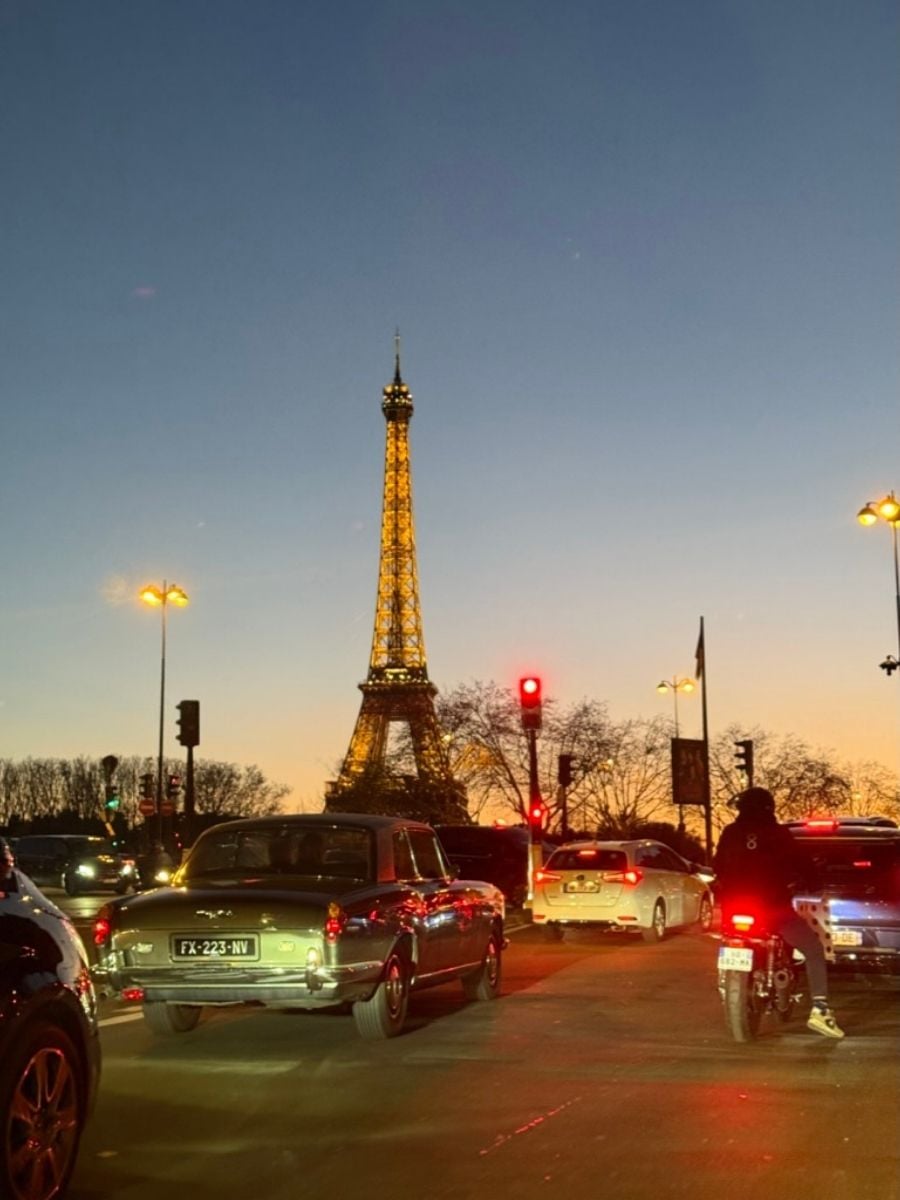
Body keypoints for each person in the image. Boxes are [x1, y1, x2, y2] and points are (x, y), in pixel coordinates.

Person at [713, 787, 844, 1039]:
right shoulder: (779, 834)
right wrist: (813, 883)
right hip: (773, 909)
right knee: (813, 948)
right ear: (769, 808)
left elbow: (718, 865)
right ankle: (820, 1009)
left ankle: (724, 983)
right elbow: (801, 863)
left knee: (728, 939)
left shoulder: (730, 832)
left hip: (734, 909)